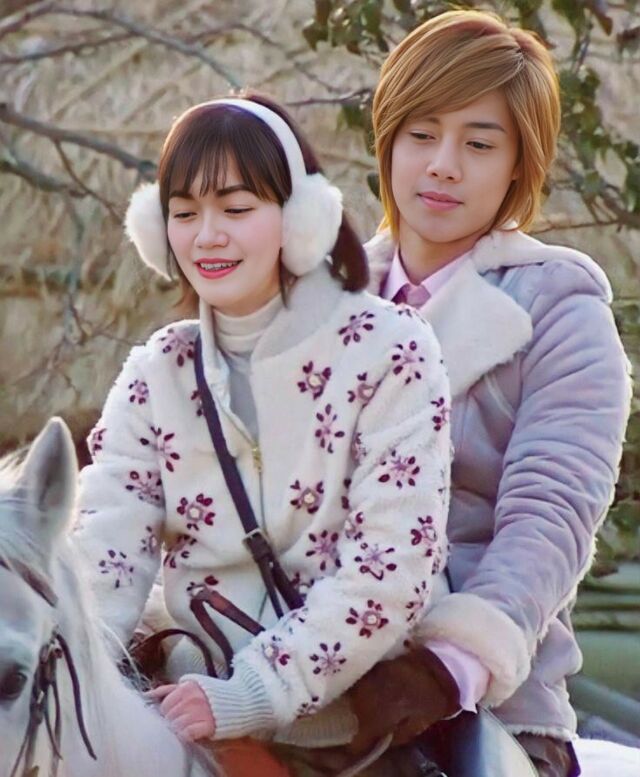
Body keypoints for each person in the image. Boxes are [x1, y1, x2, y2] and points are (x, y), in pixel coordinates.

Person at [72, 94, 453, 771]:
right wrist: (71, 674)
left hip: (353, 732)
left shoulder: (392, 350)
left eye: (236, 209)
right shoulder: (157, 372)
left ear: (301, 218)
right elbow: (104, 555)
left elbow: (390, 569)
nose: (206, 236)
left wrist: (249, 693)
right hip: (187, 714)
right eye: (184, 214)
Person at [349, 9, 632, 777]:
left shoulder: (561, 312)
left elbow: (550, 515)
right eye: (422, 134)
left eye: (478, 144)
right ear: (389, 141)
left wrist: (451, 664)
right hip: (295, 663)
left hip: (478, 703)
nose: (443, 165)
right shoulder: (317, 300)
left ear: (517, 165)